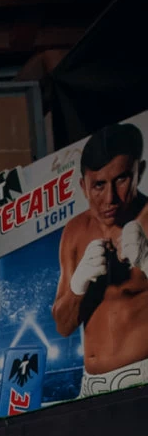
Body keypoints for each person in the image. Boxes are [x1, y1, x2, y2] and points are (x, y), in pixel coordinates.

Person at [52, 122, 148, 396]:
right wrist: (78, 285)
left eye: (121, 179)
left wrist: (147, 261)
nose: (110, 198)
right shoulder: (75, 231)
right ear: (83, 186)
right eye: (98, 185)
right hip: (91, 387)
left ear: (139, 172)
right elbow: (63, 326)